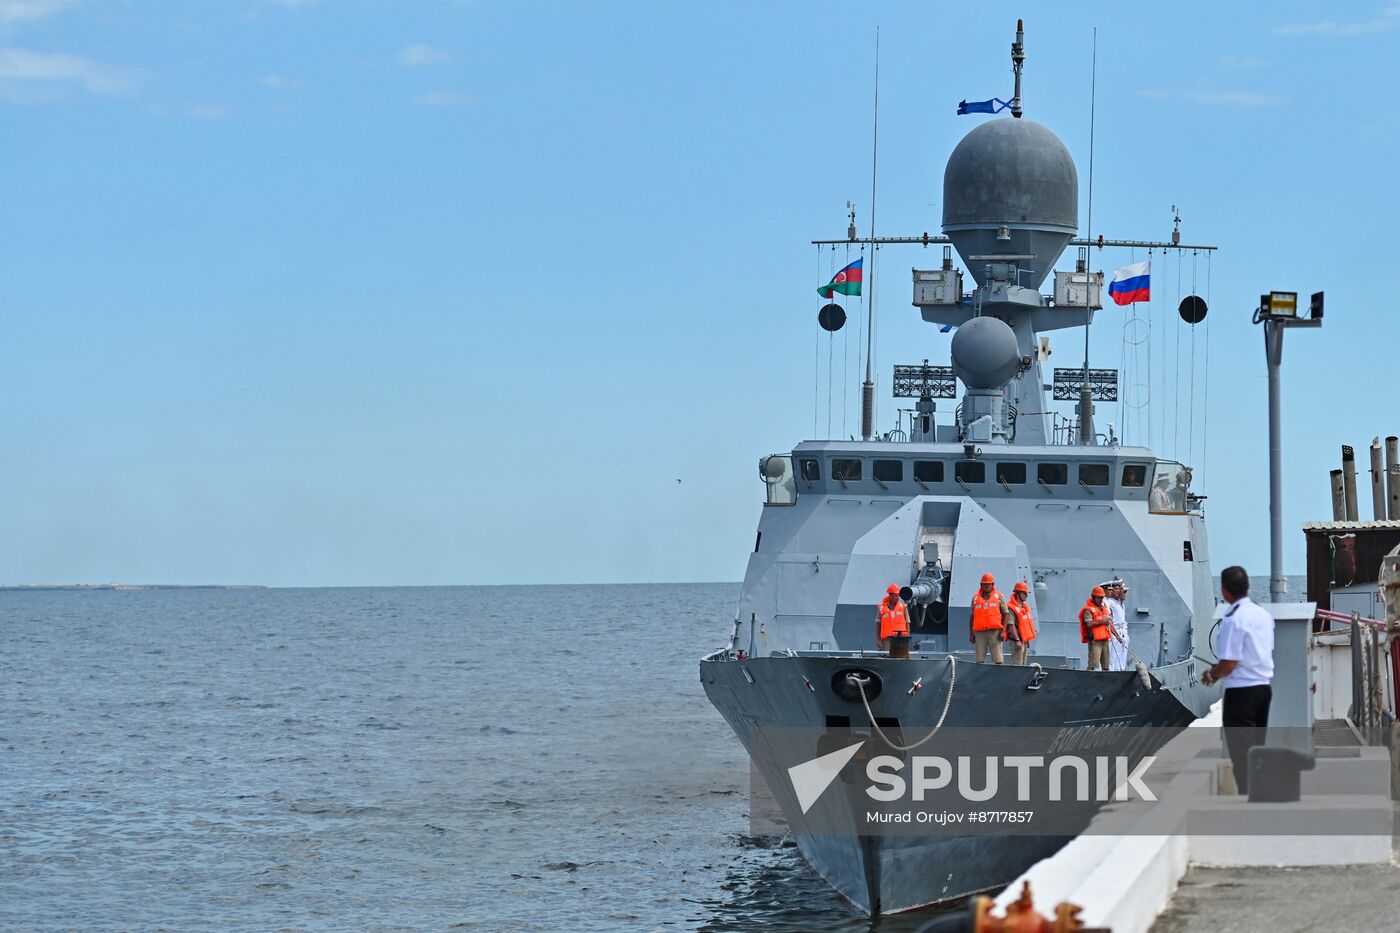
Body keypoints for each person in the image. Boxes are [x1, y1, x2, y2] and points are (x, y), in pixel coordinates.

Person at [1202, 566, 1275, 796]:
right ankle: (1260, 793)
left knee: (1241, 752)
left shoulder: (1233, 619)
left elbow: (1229, 663)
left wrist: (1212, 675)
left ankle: (1249, 797)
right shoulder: (1262, 614)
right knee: (1256, 749)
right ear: (1248, 586)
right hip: (1263, 689)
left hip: (1241, 692)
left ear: (1224, 590)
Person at [969, 573, 1010, 665]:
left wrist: (1003, 631)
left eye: (989, 584)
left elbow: (1006, 614)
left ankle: (999, 676)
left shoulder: (999, 596)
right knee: (979, 660)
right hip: (979, 633)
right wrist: (971, 634)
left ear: (993, 585)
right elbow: (972, 616)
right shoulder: (975, 598)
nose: (987, 586)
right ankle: (980, 677)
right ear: (981, 585)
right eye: (984, 584)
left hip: (995, 632)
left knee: (998, 659)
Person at [1079, 586, 1115, 670]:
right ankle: (1089, 680)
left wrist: (1117, 636)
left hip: (1105, 640)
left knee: (1106, 665)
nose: (1101, 600)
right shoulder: (1088, 610)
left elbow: (1109, 622)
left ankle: (1106, 680)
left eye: (1102, 598)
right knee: (1093, 664)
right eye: (1099, 598)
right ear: (1093, 597)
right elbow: (1089, 624)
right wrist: (1103, 622)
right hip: (1095, 641)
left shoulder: (1104, 609)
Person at [1006, 581, 1037, 666]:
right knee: (1017, 665)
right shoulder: (1011, 607)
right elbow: (1011, 625)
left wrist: (1026, 640)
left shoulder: (1024, 607)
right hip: (1017, 641)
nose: (1026, 595)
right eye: (1024, 593)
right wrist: (1017, 640)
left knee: (1023, 665)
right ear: (1017, 594)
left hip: (1024, 641)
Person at [1105, 580, 1131, 671]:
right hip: (1115, 632)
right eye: (1122, 590)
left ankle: (1121, 672)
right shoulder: (1109, 603)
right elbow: (1109, 621)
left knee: (1121, 658)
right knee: (1113, 659)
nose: (1123, 593)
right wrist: (1117, 636)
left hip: (1122, 632)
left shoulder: (1120, 604)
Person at [876, 583, 909, 650]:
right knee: (886, 657)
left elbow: (908, 622)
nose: (897, 598)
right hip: (886, 641)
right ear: (890, 595)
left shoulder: (903, 607)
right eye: (895, 596)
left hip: (900, 640)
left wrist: (907, 638)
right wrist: (878, 639)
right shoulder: (882, 608)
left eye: (898, 596)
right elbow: (878, 623)